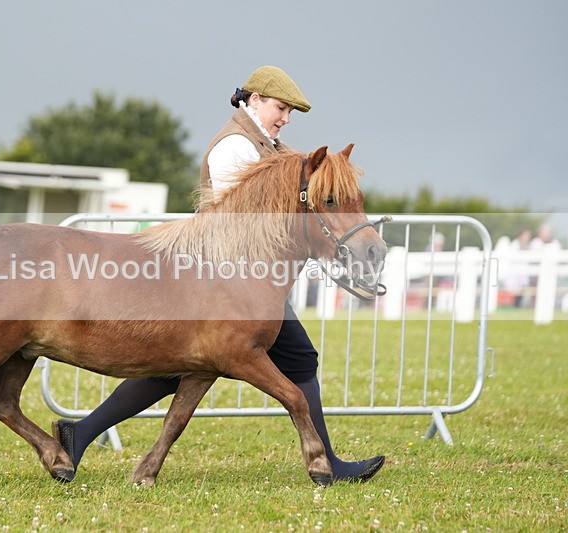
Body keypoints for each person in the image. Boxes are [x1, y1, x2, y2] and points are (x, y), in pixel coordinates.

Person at [52, 66, 385, 483]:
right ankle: (327, 462)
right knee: (297, 360)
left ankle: (79, 433)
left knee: (169, 371)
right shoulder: (235, 146)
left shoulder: (269, 145)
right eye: (281, 108)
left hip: (239, 280)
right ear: (256, 99)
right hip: (225, 280)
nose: (285, 118)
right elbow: (242, 220)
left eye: (289, 112)